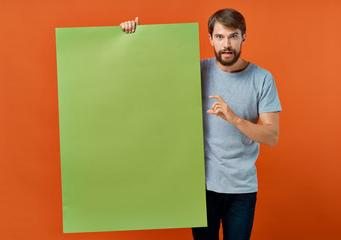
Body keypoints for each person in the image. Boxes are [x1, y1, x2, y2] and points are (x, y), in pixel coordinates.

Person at [120, 8, 282, 240]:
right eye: (219, 37)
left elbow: (272, 136)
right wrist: (131, 36)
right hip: (201, 188)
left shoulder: (262, 78)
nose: (226, 44)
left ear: (243, 37)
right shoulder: (196, 70)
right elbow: (149, 73)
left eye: (233, 36)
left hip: (241, 189)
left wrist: (234, 118)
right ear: (210, 39)